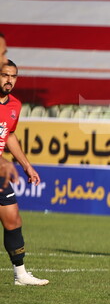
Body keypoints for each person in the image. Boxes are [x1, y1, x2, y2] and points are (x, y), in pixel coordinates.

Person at [0, 59, 48, 286]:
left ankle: (20, 275)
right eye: (4, 75)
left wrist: (26, 165)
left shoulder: (15, 106)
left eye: (13, 76)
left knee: (13, 220)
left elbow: (9, 135)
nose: (9, 80)